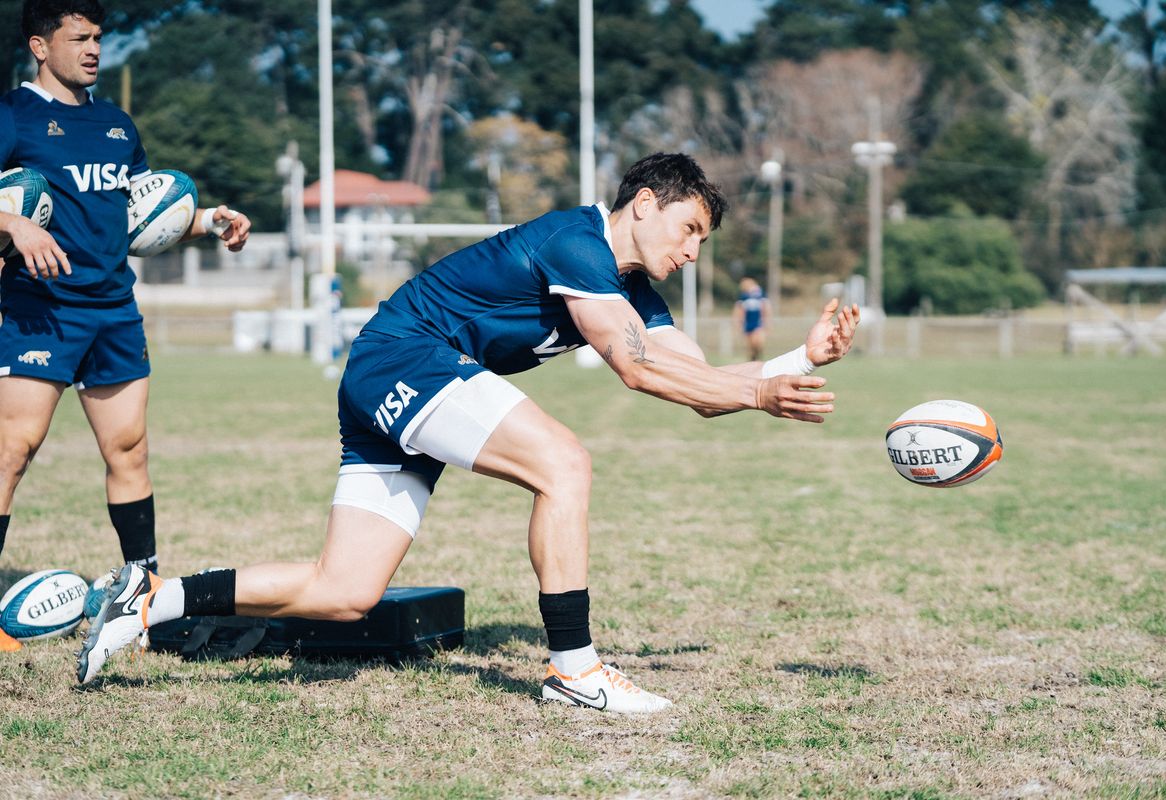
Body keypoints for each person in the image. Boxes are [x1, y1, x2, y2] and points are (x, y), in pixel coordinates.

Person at [78, 153, 858, 713]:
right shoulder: (578, 242)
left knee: (345, 592)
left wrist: (794, 360)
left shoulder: (631, 286)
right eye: (689, 230)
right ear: (646, 203)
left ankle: (147, 602)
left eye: (702, 242)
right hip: (403, 359)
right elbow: (637, 368)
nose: (692, 252)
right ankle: (575, 670)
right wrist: (759, 390)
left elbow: (694, 382)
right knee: (564, 463)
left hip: (396, 376)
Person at [0, 0, 251, 653]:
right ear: (39, 44)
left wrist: (207, 221)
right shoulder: (14, 116)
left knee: (130, 450)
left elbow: (140, 214)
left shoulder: (116, 125)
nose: (93, 50)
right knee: (12, 449)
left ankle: (140, 596)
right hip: (39, 308)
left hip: (113, 309)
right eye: (78, 38)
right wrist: (16, 224)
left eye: (98, 38)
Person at [733, 276, 769, 361]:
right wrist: (738, 322)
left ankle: (758, 357)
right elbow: (739, 309)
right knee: (750, 345)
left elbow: (765, 308)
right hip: (748, 323)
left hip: (758, 322)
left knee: (757, 342)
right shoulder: (743, 296)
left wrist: (766, 322)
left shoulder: (760, 294)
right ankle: (753, 359)